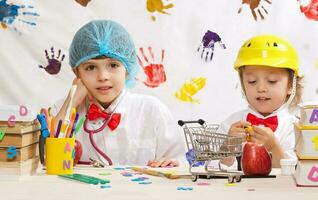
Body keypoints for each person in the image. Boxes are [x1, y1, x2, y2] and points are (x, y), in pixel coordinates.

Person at [52, 20, 185, 167]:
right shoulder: (62, 111)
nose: (103, 76)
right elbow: (48, 161)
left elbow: (179, 161)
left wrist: (171, 163)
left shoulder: (151, 110)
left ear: (127, 69)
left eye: (113, 65)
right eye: (90, 67)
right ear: (76, 72)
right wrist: (71, 103)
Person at [220, 34, 303, 168]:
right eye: (252, 81)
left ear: (290, 86)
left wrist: (273, 147)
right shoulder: (231, 124)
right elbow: (212, 169)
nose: (261, 88)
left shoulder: (295, 128)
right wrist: (228, 147)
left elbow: (295, 174)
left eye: (272, 81)